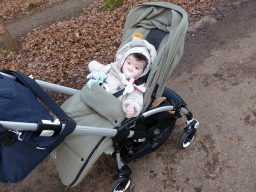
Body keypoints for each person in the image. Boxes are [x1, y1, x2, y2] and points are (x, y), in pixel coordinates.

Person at [87, 33, 157, 118]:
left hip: (109, 114)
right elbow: (101, 68)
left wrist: (131, 107)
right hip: (93, 100)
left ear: (143, 72)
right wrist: (92, 65)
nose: (131, 68)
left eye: (137, 68)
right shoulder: (112, 69)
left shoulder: (136, 86)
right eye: (129, 63)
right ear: (123, 60)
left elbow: (135, 99)